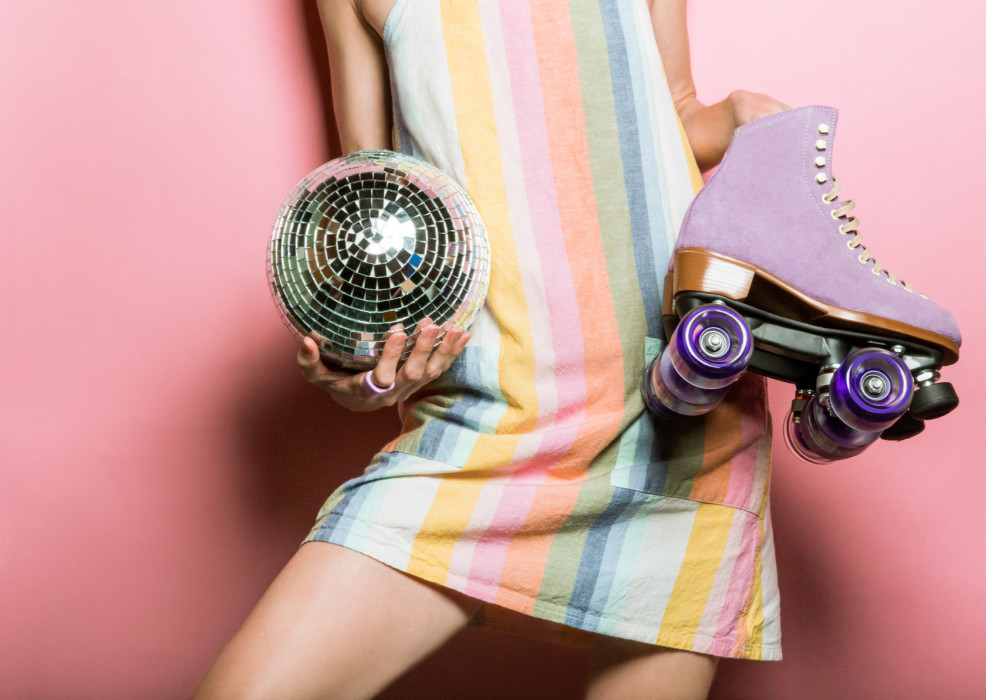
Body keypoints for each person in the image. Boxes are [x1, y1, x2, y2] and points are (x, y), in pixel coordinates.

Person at [194, 0, 788, 697]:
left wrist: (743, 116)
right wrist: (356, 360)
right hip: (490, 408)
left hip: (678, 406)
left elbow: (678, 113)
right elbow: (380, 193)